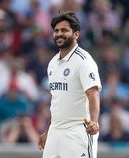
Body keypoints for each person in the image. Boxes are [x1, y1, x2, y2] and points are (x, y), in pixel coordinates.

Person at [38, 11, 102, 158]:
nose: (59, 34)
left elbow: (93, 94)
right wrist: (49, 131)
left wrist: (94, 122)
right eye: (56, 31)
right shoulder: (53, 63)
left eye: (64, 30)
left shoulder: (84, 60)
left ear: (76, 34)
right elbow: (58, 101)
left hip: (78, 130)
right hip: (55, 131)